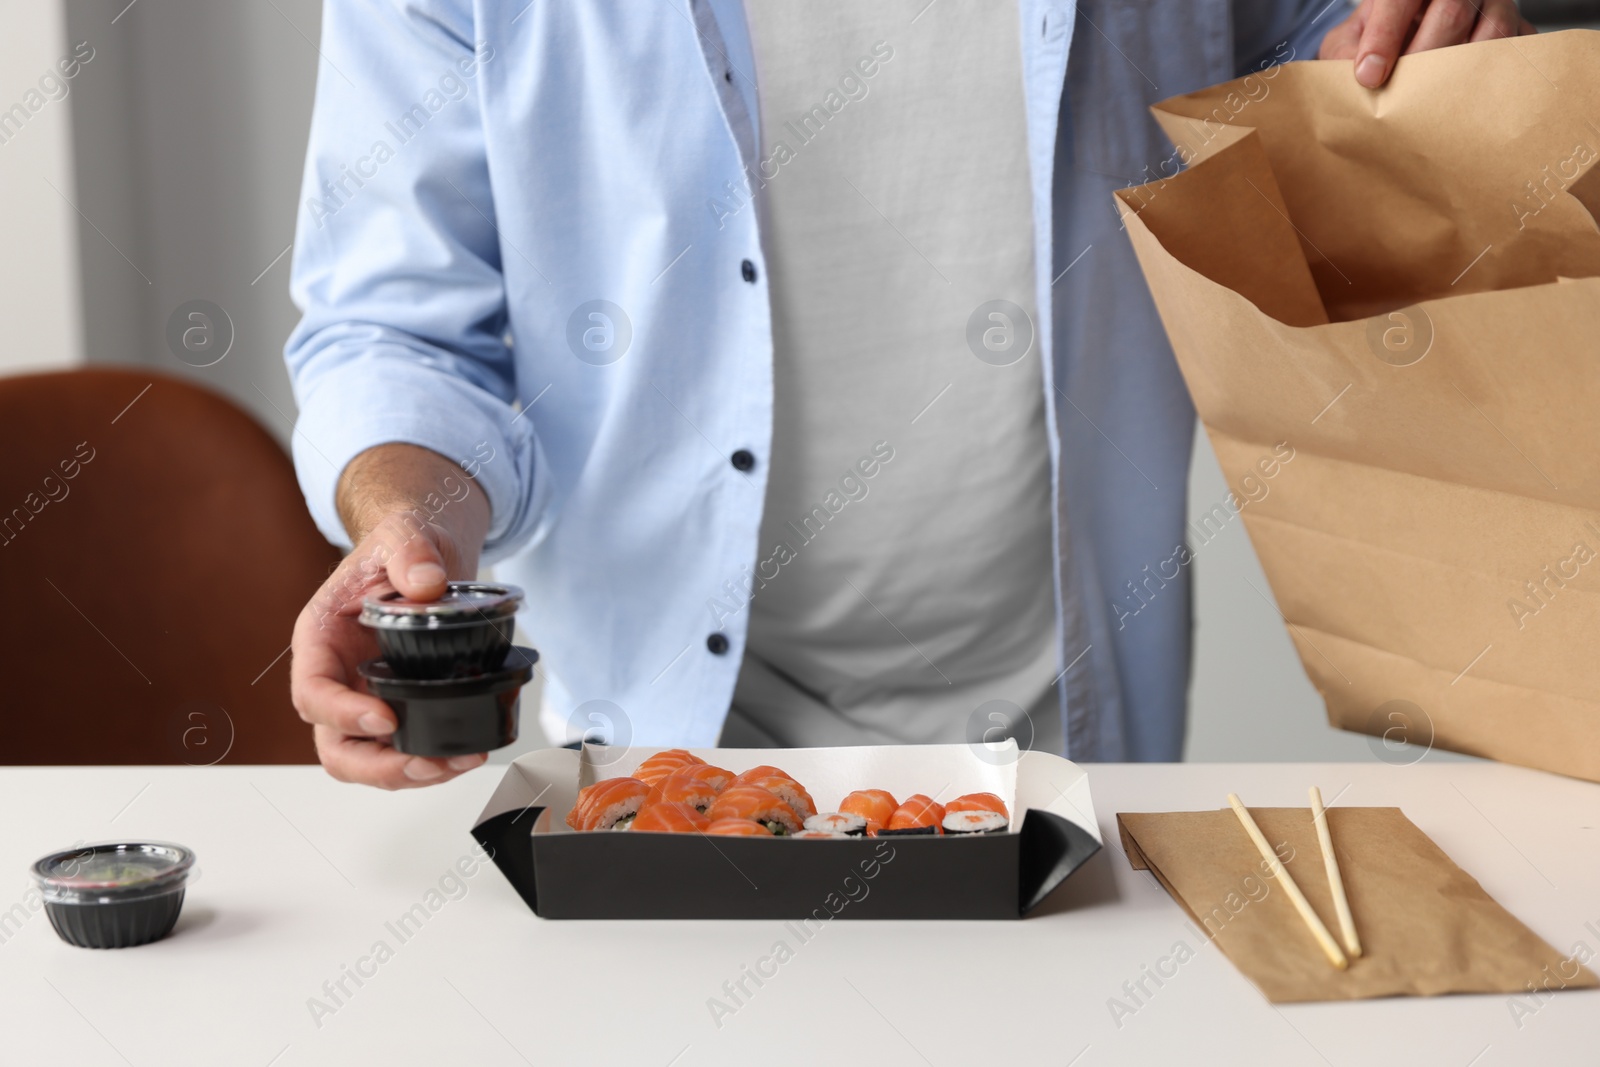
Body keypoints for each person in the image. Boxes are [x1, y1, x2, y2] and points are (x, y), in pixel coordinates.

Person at [285, 0, 1534, 789]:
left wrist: (1413, 68)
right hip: (651, 755)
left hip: (1070, 761)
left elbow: (1312, 85)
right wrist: (410, 525)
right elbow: (398, 328)